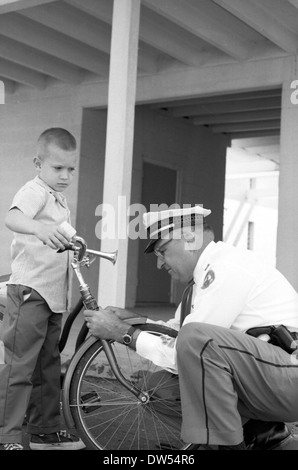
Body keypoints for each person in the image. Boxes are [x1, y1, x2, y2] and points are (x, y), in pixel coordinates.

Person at [84, 205, 298, 450]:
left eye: (162, 251)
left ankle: (229, 444)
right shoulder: (198, 282)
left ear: (188, 237)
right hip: (267, 378)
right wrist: (134, 320)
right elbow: (176, 335)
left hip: (288, 378)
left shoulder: (227, 267)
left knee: (196, 338)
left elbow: (189, 348)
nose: (159, 264)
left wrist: (123, 332)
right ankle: (261, 435)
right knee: (157, 389)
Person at [0, 128, 85, 450]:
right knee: (20, 366)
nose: (65, 175)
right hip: (30, 290)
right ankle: (7, 436)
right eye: (58, 168)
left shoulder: (57, 199)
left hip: (52, 296)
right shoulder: (34, 191)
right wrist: (37, 227)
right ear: (39, 163)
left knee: (47, 366)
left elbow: (58, 237)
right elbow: (13, 217)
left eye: (71, 169)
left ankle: (45, 431)